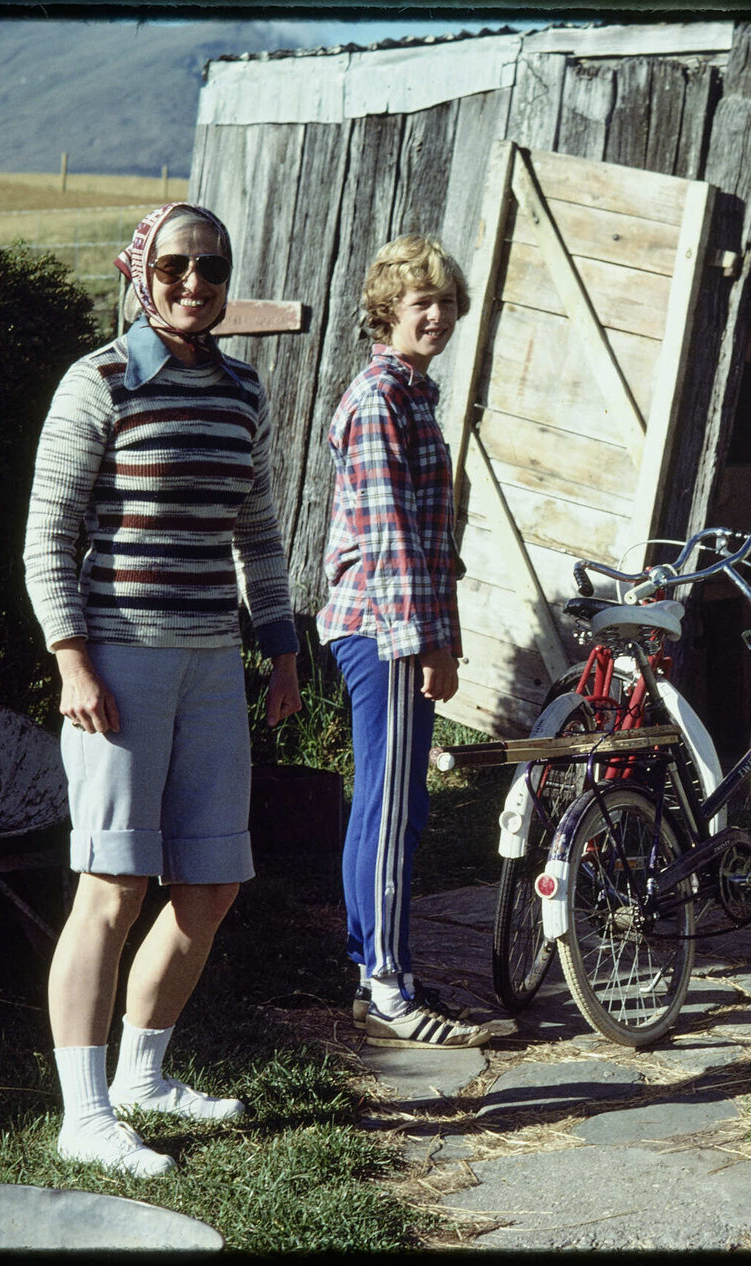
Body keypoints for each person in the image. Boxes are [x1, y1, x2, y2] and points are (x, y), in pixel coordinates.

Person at [24, 202, 302, 1176]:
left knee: (211, 883)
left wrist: (281, 650)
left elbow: (257, 536)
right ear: (140, 270)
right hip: (117, 662)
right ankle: (83, 1112)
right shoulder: (95, 383)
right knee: (113, 883)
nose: (195, 284)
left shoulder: (240, 392)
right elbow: (48, 539)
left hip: (211, 664)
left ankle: (144, 1075)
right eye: (178, 265)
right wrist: (70, 660)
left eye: (213, 268)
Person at [312, 234, 488, 1050]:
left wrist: (438, 635)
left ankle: (377, 973)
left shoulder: (414, 394)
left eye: (447, 303)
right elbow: (389, 545)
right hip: (381, 630)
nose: (438, 316)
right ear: (386, 312)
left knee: (395, 806)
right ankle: (386, 987)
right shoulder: (379, 399)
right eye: (422, 302)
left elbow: (428, 537)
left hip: (395, 627)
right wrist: (428, 646)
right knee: (389, 813)